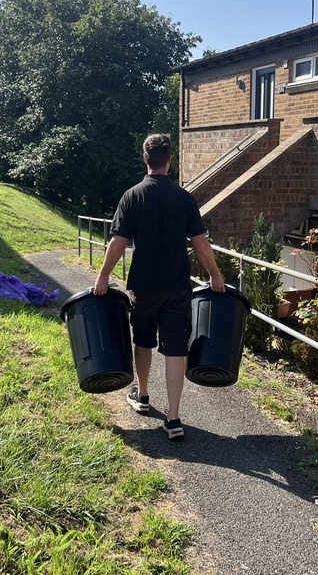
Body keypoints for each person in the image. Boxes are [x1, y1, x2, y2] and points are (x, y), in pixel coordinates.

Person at [94, 133, 225, 440]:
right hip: (177, 286)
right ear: (170, 160)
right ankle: (174, 418)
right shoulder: (184, 198)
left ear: (145, 159)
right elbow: (201, 244)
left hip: (144, 285)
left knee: (142, 340)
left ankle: (141, 397)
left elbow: (117, 244)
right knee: (175, 349)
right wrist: (215, 275)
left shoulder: (132, 195)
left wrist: (102, 277)